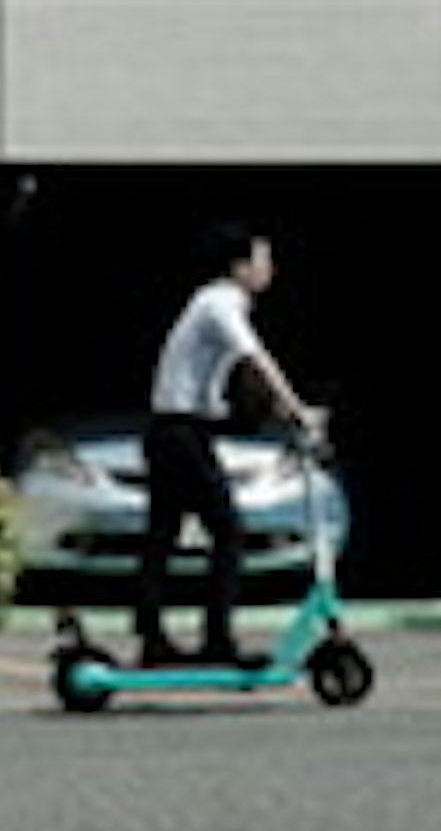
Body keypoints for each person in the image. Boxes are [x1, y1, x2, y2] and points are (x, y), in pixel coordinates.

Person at [134, 222, 315, 669]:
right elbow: (255, 359)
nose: (269, 270)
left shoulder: (208, 303)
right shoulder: (221, 303)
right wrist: (297, 408)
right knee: (228, 531)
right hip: (180, 432)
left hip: (173, 429)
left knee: (162, 536)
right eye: (262, 260)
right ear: (239, 267)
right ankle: (216, 638)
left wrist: (273, 410)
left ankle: (152, 638)